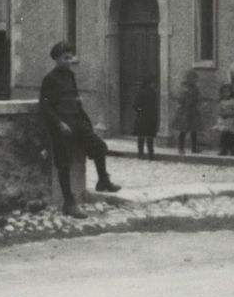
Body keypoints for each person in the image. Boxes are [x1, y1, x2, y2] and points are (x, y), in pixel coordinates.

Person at [39, 41, 120, 218]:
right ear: (56, 59)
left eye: (71, 57)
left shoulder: (70, 76)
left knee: (99, 146)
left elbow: (74, 97)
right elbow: (45, 106)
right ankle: (69, 203)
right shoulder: (50, 79)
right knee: (64, 163)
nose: (69, 61)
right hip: (61, 126)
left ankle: (103, 180)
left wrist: (82, 113)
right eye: (65, 58)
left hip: (77, 120)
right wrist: (60, 124)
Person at [171, 68, 202, 153]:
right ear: (187, 79)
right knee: (183, 130)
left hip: (193, 111)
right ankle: (181, 148)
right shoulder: (183, 88)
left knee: (194, 130)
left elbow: (198, 98)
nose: (194, 80)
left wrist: (198, 103)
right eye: (192, 78)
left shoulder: (196, 88)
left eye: (195, 79)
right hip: (184, 111)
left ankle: (194, 147)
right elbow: (181, 99)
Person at [132, 75, 159, 160]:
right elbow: (135, 105)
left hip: (151, 117)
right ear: (148, 84)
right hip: (143, 117)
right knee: (142, 136)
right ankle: (141, 153)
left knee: (150, 136)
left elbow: (154, 105)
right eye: (152, 83)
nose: (154, 84)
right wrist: (141, 112)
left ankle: (150, 154)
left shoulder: (154, 92)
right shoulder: (141, 92)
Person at [213, 82, 234, 155]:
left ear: (231, 92)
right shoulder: (221, 102)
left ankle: (233, 150)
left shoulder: (233, 101)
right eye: (224, 92)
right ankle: (223, 150)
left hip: (230, 120)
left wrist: (230, 114)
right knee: (223, 135)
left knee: (231, 135)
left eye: (228, 92)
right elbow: (219, 110)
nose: (226, 94)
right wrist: (221, 114)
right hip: (223, 120)